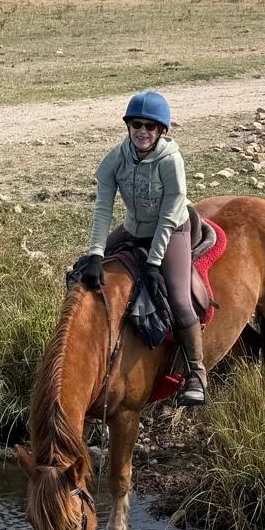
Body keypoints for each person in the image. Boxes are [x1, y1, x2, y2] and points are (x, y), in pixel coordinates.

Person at [81, 90, 206, 407]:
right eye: (137, 124)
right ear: (128, 126)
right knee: (81, 274)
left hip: (171, 231)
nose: (143, 131)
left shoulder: (170, 161)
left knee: (178, 297)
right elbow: (102, 209)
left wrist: (153, 263)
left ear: (161, 131)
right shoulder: (115, 159)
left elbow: (168, 214)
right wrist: (96, 253)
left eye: (151, 127)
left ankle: (196, 374)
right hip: (134, 229)